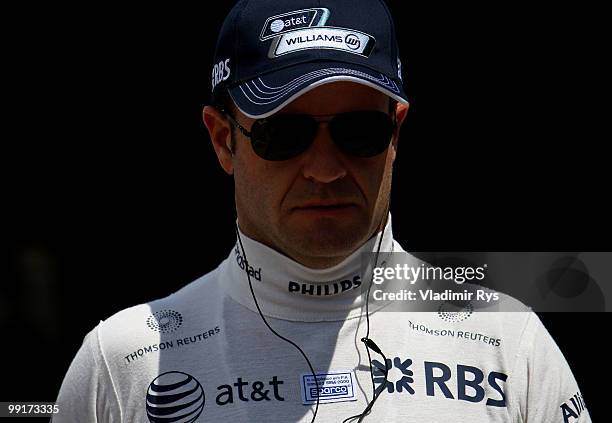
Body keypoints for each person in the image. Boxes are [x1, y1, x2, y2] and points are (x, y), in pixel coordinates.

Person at [53, 0, 591, 422]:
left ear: (396, 133)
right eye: (284, 134)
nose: (325, 169)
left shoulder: (508, 342)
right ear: (222, 141)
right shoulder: (123, 361)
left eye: (360, 132)